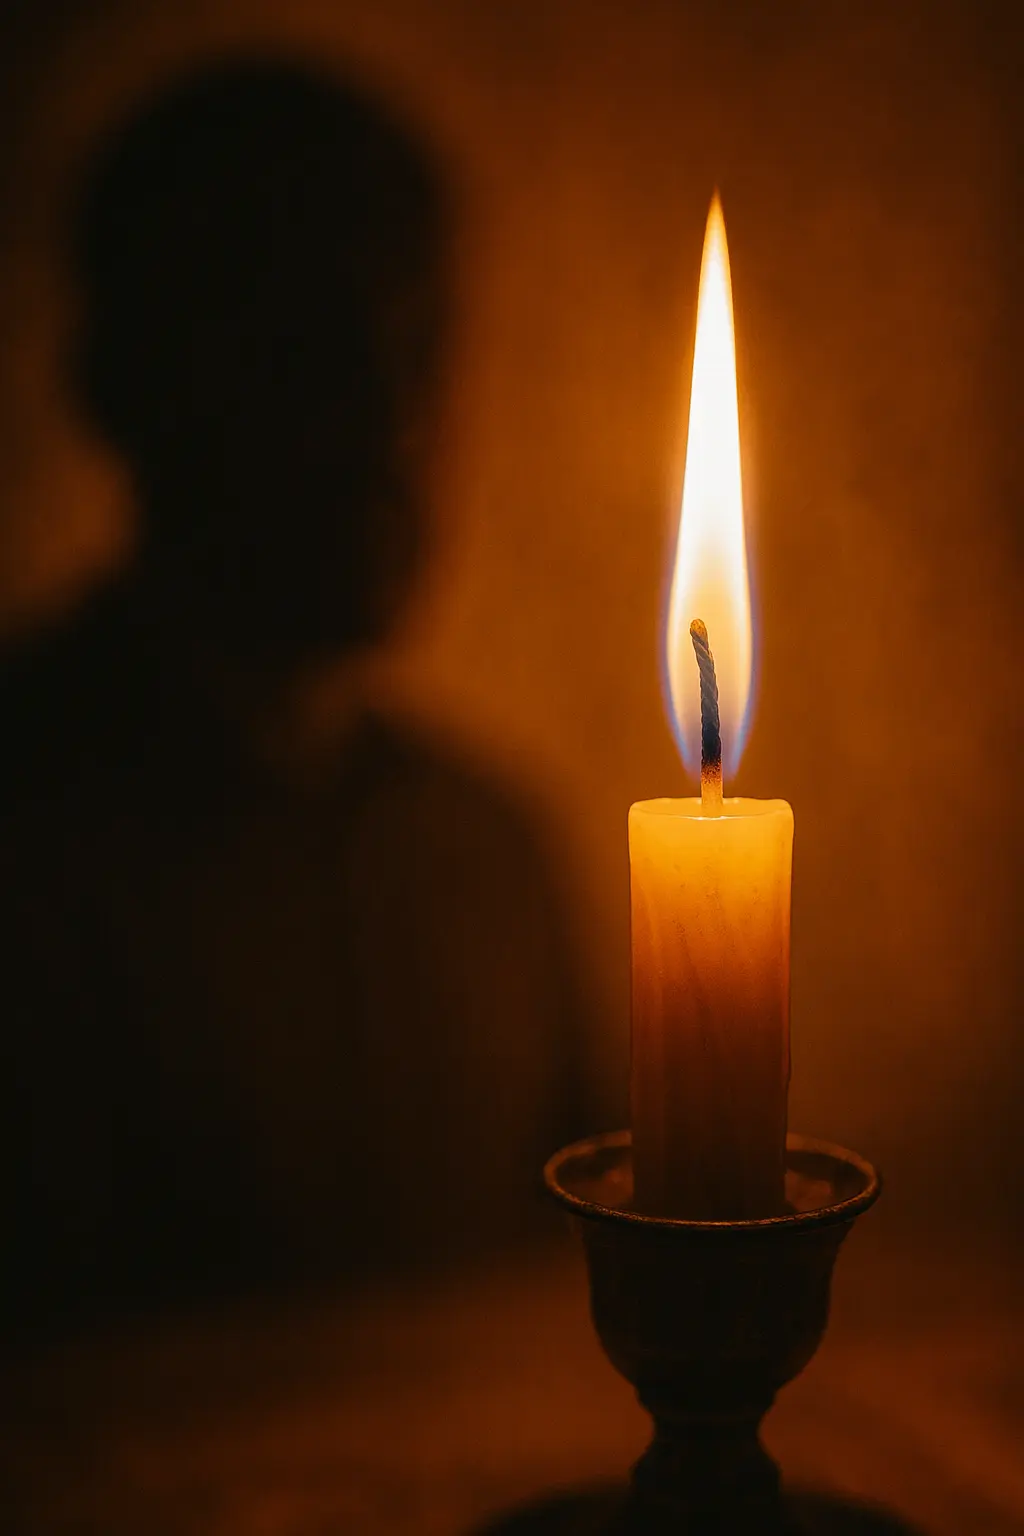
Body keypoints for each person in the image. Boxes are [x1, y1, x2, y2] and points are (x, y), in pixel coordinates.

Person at [0, 56, 590, 1333]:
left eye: (420, 351)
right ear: (123, 382)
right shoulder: (32, 842)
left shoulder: (496, 857)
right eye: (305, 354)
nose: (389, 427)